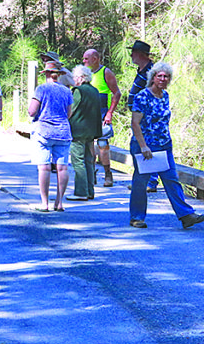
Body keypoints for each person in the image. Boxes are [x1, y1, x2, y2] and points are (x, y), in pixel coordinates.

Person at [128, 62, 204, 229]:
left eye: (166, 76)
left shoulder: (165, 96)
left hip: (164, 144)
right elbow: (135, 123)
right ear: (153, 77)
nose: (163, 79)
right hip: (145, 145)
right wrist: (143, 146)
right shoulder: (142, 96)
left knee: (171, 179)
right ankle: (137, 217)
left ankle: (186, 215)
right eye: (160, 76)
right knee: (141, 182)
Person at [29, 61, 73, 211]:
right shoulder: (67, 91)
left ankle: (44, 203)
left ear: (46, 73)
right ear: (59, 75)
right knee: (62, 168)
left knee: (44, 168)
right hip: (63, 131)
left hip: (44, 131)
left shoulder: (41, 89)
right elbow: (69, 113)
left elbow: (32, 111)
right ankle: (59, 203)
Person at [82, 48, 121, 188]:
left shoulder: (105, 72)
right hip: (87, 115)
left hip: (102, 113)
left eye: (86, 59)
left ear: (95, 59)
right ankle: (91, 173)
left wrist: (110, 112)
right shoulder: (84, 73)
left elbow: (116, 93)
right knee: (88, 145)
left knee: (103, 144)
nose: (84, 61)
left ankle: (108, 174)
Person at [66, 65, 102, 201]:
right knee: (88, 160)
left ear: (81, 78)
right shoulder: (95, 91)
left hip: (78, 131)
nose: (74, 80)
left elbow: (71, 110)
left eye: (75, 77)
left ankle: (81, 192)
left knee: (78, 161)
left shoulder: (78, 91)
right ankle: (90, 191)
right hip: (91, 131)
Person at [128, 40, 159, 192]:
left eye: (133, 52)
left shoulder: (151, 72)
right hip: (139, 116)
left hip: (147, 117)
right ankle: (142, 181)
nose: (131, 55)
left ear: (140, 54)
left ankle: (151, 182)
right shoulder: (142, 71)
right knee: (137, 147)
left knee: (148, 146)